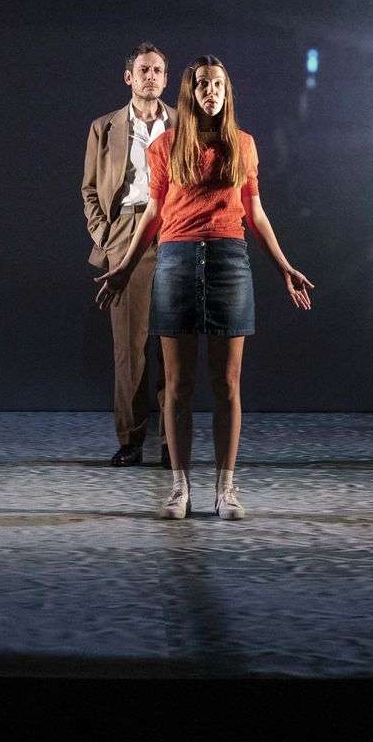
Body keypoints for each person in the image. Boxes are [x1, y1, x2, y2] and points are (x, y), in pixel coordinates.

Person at [95, 55, 313, 519]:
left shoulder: (244, 145)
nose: (210, 91)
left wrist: (284, 267)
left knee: (227, 384)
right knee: (178, 385)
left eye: (217, 84)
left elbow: (255, 213)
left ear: (226, 92)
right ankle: (179, 489)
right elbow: (153, 213)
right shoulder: (166, 146)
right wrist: (126, 267)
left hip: (229, 262)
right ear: (190, 93)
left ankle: (226, 489)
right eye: (201, 85)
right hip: (175, 261)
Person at [81, 43, 172, 466]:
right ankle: (131, 441)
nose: (150, 76)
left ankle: (172, 442)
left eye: (157, 70)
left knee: (173, 345)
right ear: (129, 77)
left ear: (165, 79)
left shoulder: (183, 123)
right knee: (129, 348)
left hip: (173, 232)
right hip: (125, 232)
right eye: (143, 70)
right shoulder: (104, 127)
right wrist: (106, 236)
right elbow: (89, 190)